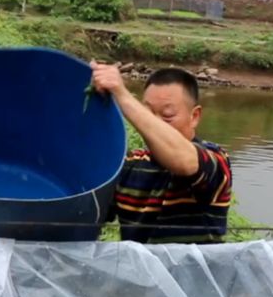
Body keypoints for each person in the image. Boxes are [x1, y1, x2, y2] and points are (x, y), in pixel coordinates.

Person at [90, 63, 232, 244]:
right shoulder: (129, 164)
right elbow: (89, 212)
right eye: (147, 113)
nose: (154, 123)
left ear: (194, 116)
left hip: (192, 272)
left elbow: (184, 162)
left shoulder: (216, 160)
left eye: (167, 115)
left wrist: (122, 96)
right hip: (139, 272)